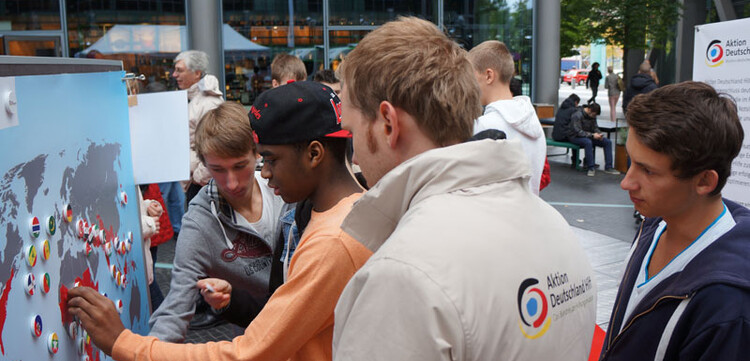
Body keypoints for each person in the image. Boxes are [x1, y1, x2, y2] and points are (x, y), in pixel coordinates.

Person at [333, 16, 596, 360]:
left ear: (388, 124)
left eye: (352, 133)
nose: (355, 158)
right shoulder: (554, 227)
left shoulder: (402, 275)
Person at [67, 81, 372, 361]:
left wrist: (123, 343)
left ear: (314, 154)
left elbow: (249, 352)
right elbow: (186, 306)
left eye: (268, 160)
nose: (260, 174)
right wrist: (232, 302)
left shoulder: (327, 237)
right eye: (218, 169)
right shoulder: (314, 207)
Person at [599, 81, 749, 360]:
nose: (626, 182)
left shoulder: (728, 303)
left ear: (704, 180)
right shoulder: (653, 224)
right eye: (631, 162)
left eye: (647, 170)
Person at [145, 102, 289, 342]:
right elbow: (175, 309)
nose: (231, 183)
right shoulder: (200, 223)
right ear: (204, 164)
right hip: (254, 341)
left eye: (240, 166)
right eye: (218, 169)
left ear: (257, 153)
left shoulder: (285, 192)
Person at [467, 40, 546, 195]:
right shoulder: (533, 123)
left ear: (489, 76)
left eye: (471, 76)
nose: (469, 84)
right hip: (528, 214)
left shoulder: (483, 126)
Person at [172, 50, 225, 204]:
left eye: (179, 70)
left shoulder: (208, 103)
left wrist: (197, 177)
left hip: (200, 185)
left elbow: (216, 147)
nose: (174, 75)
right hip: (193, 182)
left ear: (197, 74)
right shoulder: (191, 99)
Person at [565, 103, 619, 176]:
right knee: (588, 142)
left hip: (588, 136)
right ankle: (590, 167)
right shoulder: (577, 115)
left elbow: (595, 127)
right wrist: (592, 135)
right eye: (594, 115)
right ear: (589, 110)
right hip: (575, 137)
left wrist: (599, 133)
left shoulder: (592, 116)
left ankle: (609, 167)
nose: (594, 117)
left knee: (607, 142)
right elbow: (577, 131)